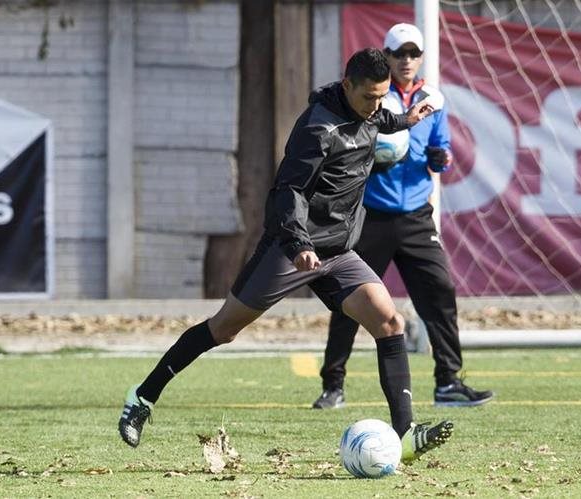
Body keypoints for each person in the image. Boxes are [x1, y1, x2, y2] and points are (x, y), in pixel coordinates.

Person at [118, 48, 453, 463]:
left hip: (338, 252)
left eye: (382, 97)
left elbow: (381, 119)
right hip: (291, 248)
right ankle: (142, 398)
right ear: (347, 85)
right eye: (369, 96)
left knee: (388, 321)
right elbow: (287, 193)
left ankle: (404, 434)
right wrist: (299, 245)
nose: (376, 106)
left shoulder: (371, 111)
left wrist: (407, 119)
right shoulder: (317, 129)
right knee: (223, 329)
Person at [312, 24, 493, 410]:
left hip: (416, 216)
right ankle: (333, 385)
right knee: (350, 299)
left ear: (421, 58)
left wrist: (439, 158)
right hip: (372, 215)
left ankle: (448, 382)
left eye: (413, 53)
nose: (406, 60)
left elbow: (439, 147)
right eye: (399, 54)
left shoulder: (433, 99)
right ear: (388, 57)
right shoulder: (374, 97)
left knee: (439, 292)